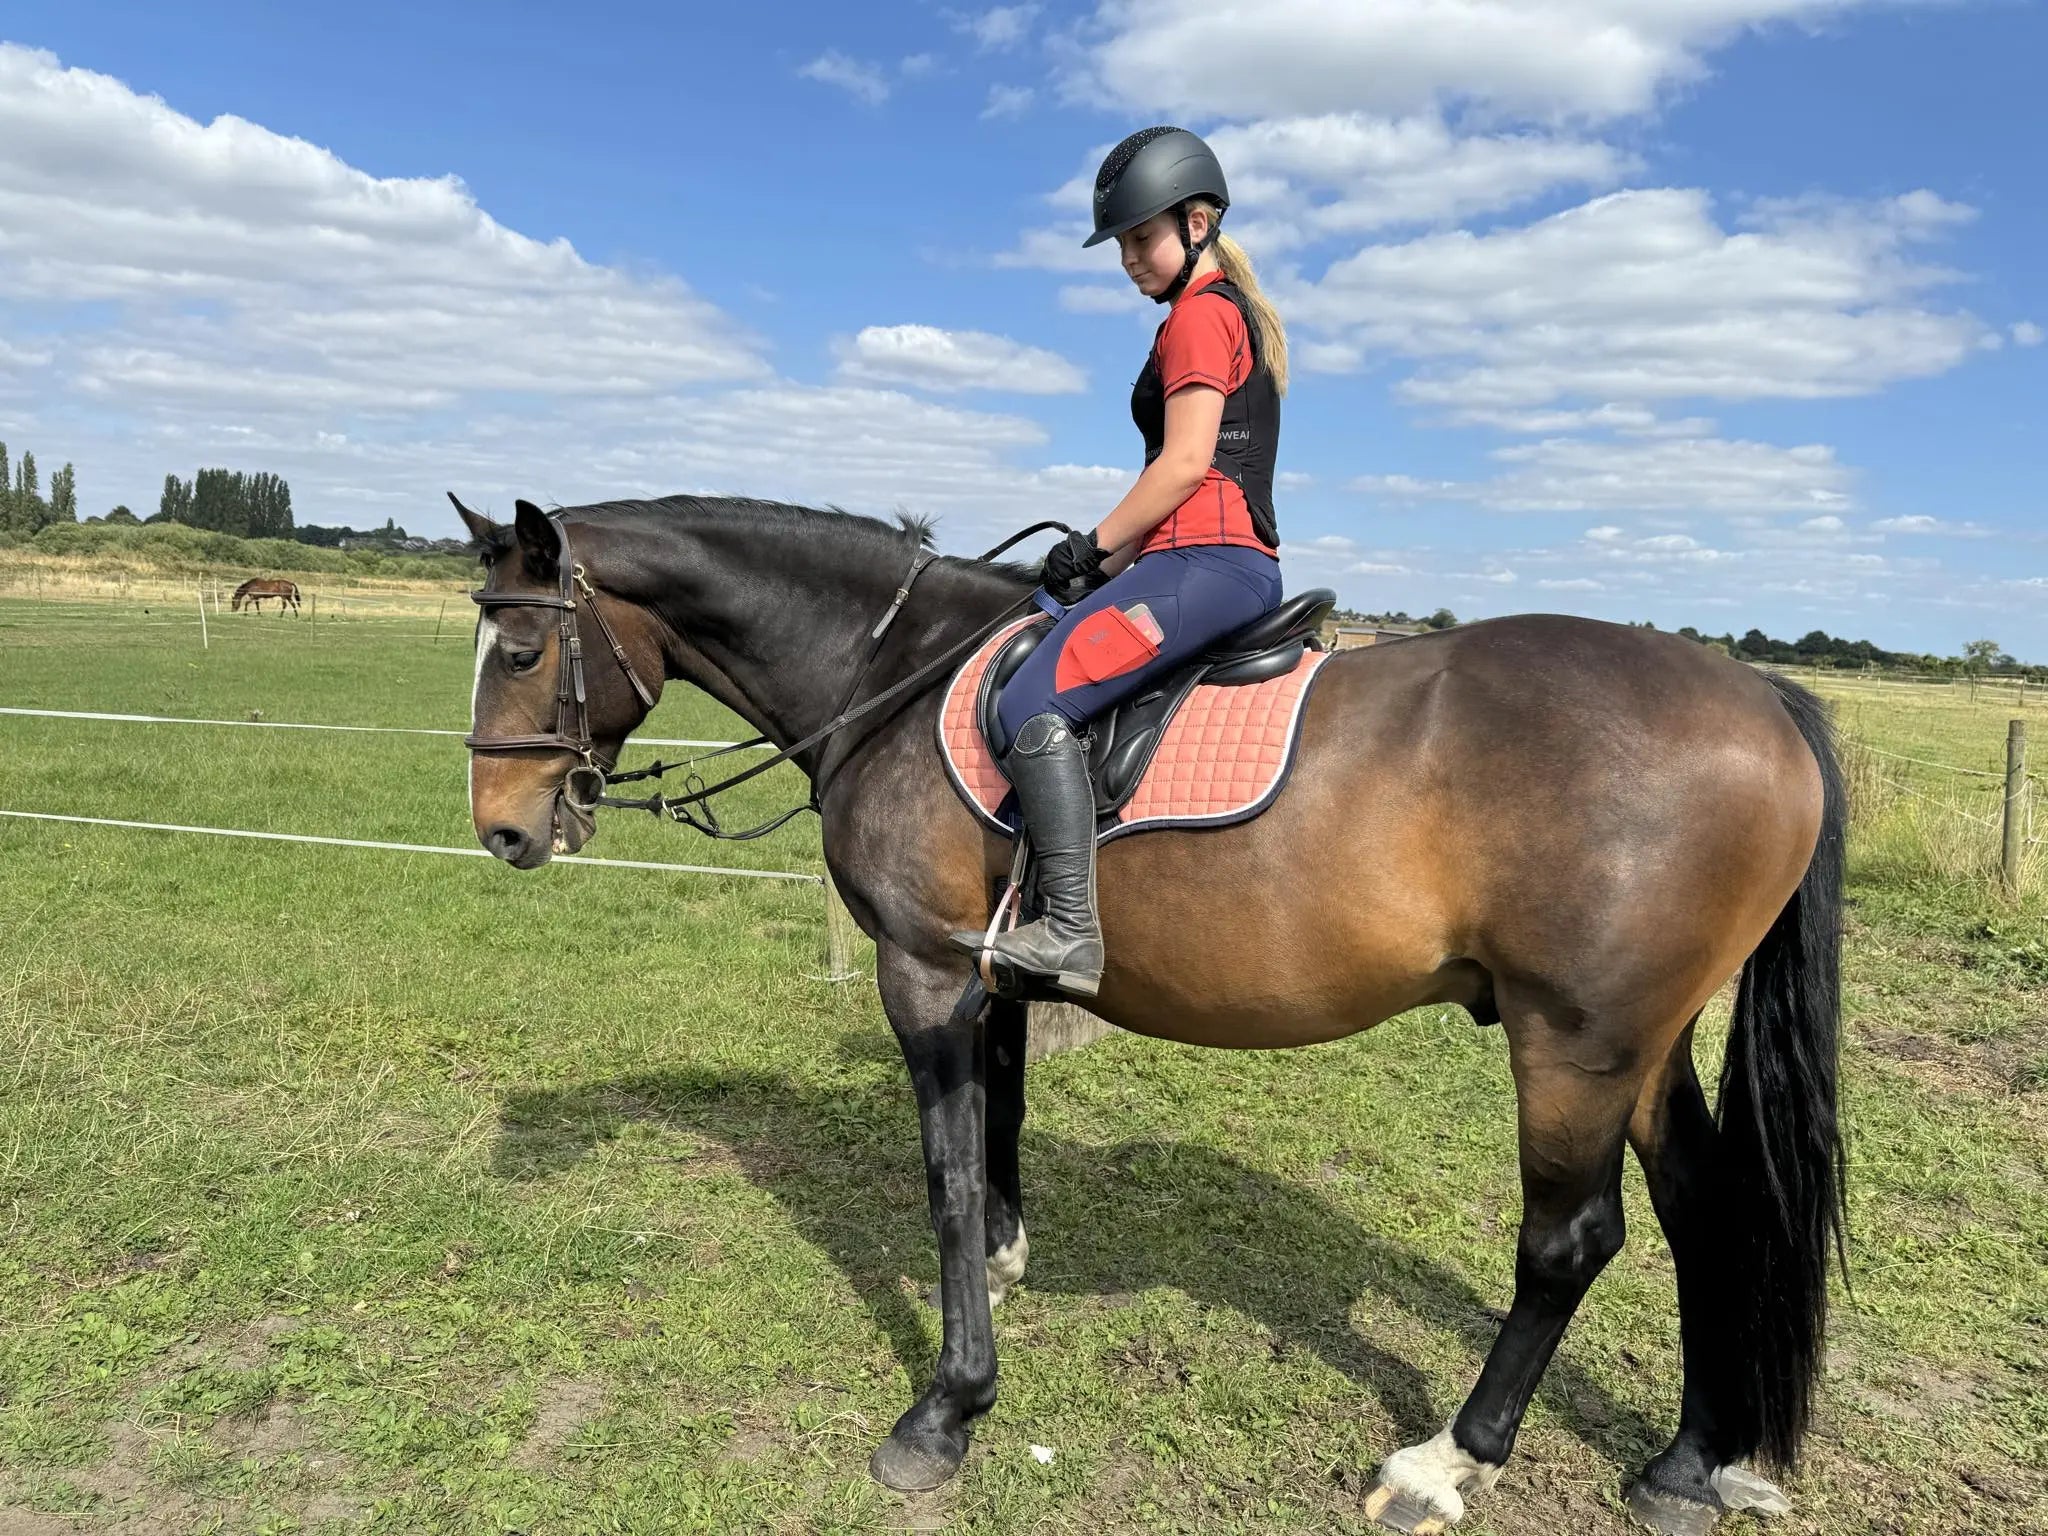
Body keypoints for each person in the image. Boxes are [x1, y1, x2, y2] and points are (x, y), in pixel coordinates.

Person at [954, 125, 1292, 997]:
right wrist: (1083, 578)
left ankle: (1068, 930)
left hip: (1212, 563)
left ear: (1200, 221)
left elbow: (1183, 466)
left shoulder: (1200, 317)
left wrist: (1092, 543)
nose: (1130, 259)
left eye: (1142, 238)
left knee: (1033, 699)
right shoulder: (1215, 315)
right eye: (1123, 245)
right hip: (1188, 558)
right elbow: (1175, 481)